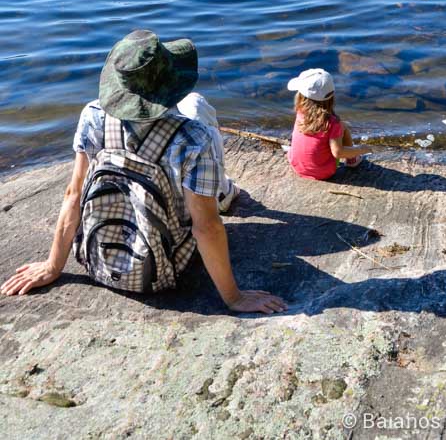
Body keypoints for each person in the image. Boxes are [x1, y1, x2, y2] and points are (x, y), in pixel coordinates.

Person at [0, 29, 286, 315]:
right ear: (171, 82)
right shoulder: (192, 137)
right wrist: (234, 298)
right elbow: (206, 226)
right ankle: (224, 193)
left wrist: (53, 266)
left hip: (100, 262)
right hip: (162, 270)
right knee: (197, 107)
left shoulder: (94, 115)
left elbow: (73, 194)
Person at [286, 68, 364, 181]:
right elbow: (338, 152)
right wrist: (362, 149)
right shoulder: (333, 123)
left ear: (301, 97)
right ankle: (352, 160)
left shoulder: (300, 111)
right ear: (331, 96)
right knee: (343, 126)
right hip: (323, 173)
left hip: (296, 166)